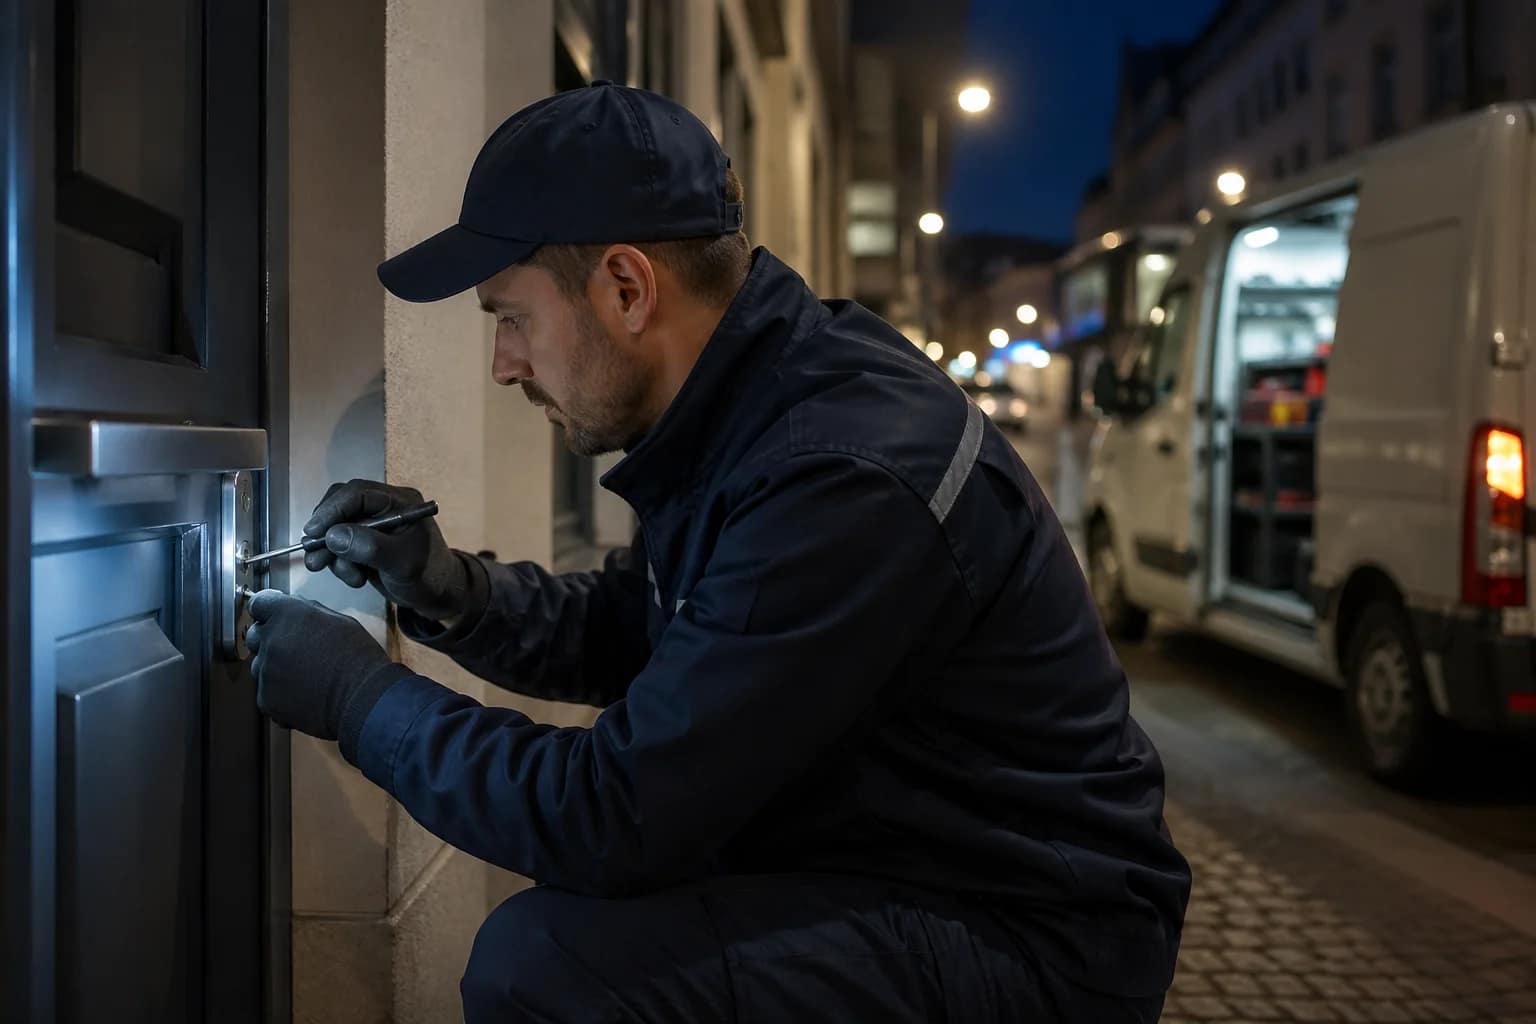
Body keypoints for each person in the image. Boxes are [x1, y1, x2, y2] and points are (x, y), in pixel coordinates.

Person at [245, 82, 1190, 1022]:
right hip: (901, 861)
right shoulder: (746, 405)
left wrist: (356, 700)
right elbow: (645, 626)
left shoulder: (842, 473)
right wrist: (454, 590)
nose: (505, 363)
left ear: (626, 288)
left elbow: (613, 815)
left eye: (511, 317)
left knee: (546, 967)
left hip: (1031, 938)